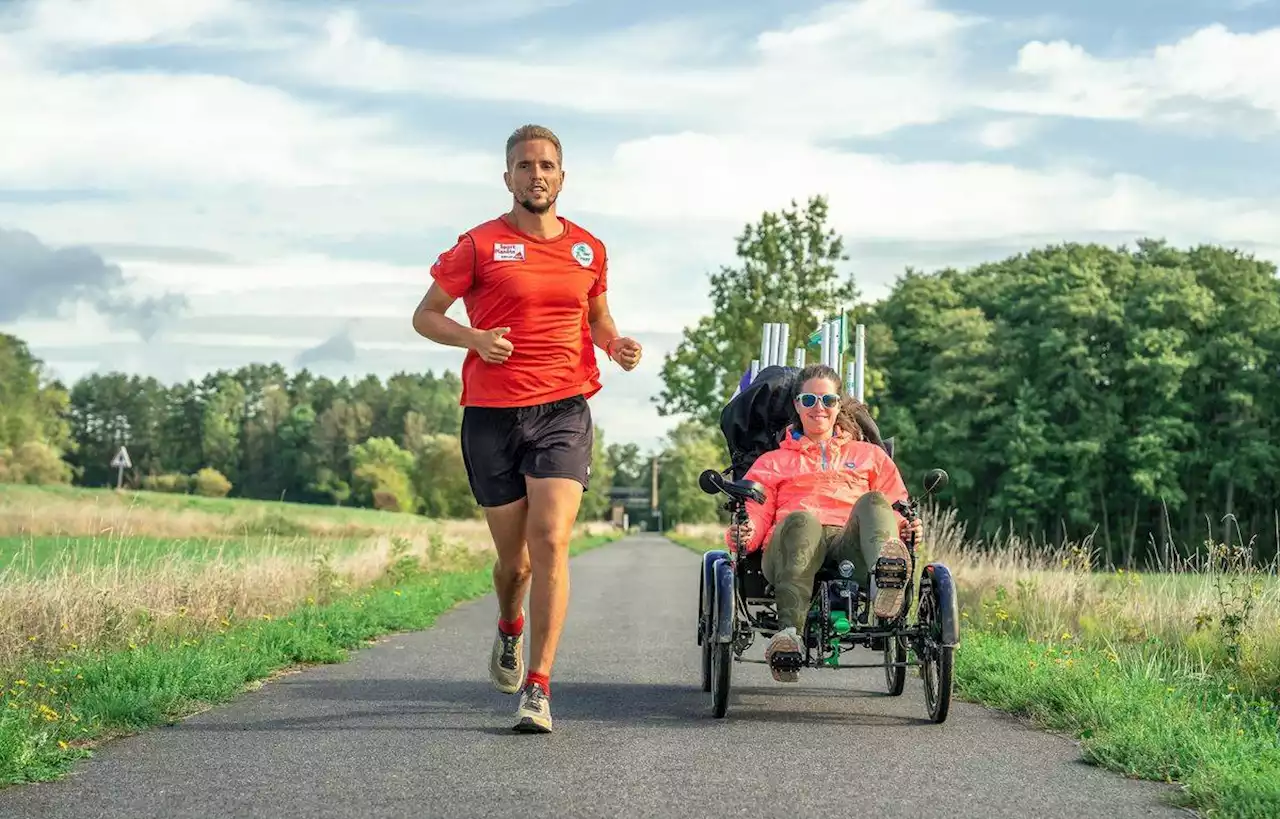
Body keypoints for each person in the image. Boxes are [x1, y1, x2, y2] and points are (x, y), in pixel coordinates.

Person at [411, 124, 642, 732]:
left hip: (564, 409)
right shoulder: (479, 245)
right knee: (514, 564)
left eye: (546, 166)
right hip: (491, 416)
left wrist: (614, 342)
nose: (535, 175)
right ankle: (509, 626)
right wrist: (475, 338)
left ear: (562, 177)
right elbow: (425, 316)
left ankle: (538, 687)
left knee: (552, 541)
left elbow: (596, 314)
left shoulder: (588, 249)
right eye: (523, 166)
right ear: (507, 177)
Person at [724, 363, 923, 683]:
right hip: (791, 546)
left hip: (851, 547)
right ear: (796, 405)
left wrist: (907, 527)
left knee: (874, 501)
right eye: (809, 400)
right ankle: (788, 635)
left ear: (838, 405)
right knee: (803, 520)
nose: (819, 408)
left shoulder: (871, 456)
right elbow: (758, 511)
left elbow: (896, 503)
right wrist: (744, 535)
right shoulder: (772, 462)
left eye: (828, 401)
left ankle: (887, 579)